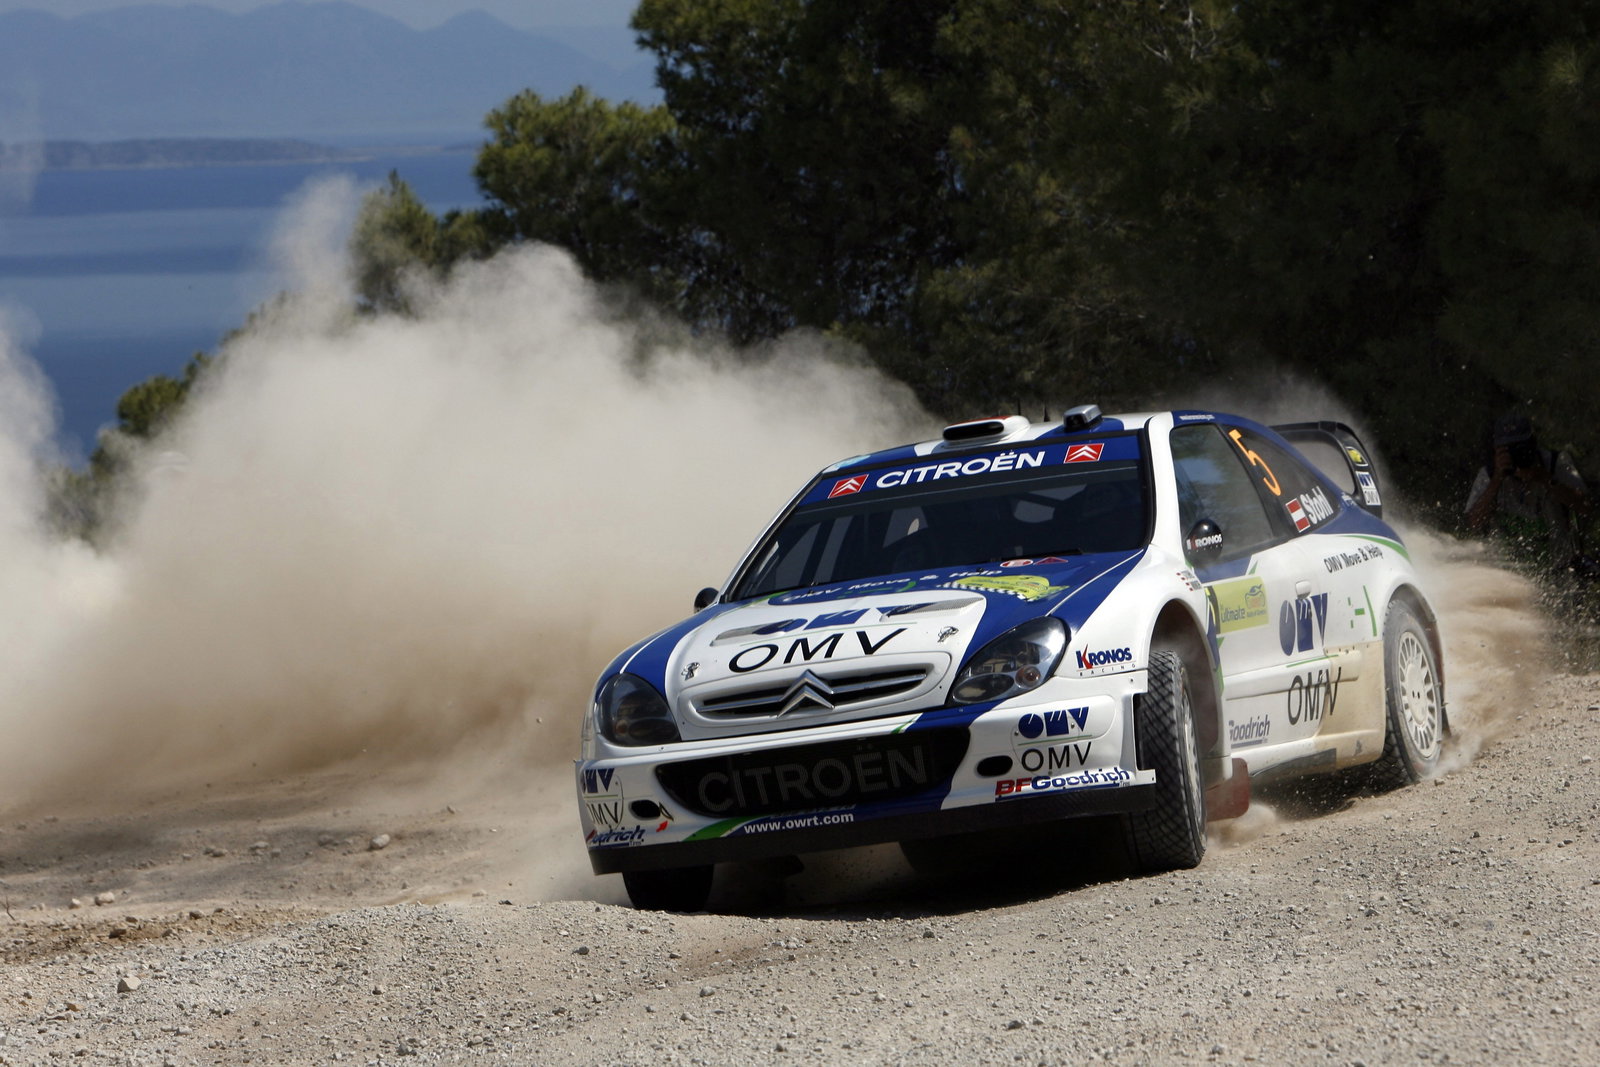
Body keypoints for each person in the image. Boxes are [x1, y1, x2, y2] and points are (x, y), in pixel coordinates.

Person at [1465, 413, 1595, 574]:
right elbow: (1474, 523)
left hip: (1559, 573)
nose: (1517, 455)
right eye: (1509, 450)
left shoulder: (1554, 463)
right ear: (1497, 451)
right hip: (1507, 575)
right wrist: (1497, 479)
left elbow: (1585, 507)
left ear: (1533, 443)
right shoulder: (1489, 474)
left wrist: (1546, 478)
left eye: (1521, 447)